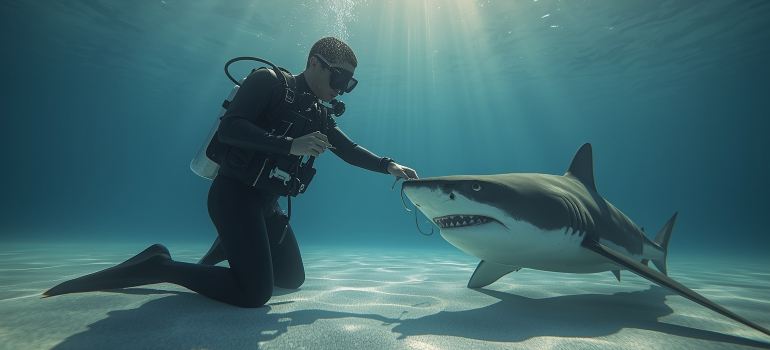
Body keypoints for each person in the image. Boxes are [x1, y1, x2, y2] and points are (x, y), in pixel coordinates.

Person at [43, 37, 419, 308]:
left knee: (292, 279)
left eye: (350, 83)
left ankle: (227, 247)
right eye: (340, 78)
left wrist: (389, 166)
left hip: (268, 207)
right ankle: (160, 264)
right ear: (315, 63)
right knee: (254, 295)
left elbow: (349, 150)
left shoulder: (319, 114)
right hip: (233, 198)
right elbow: (231, 129)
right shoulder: (269, 82)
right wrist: (291, 145)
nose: (343, 90)